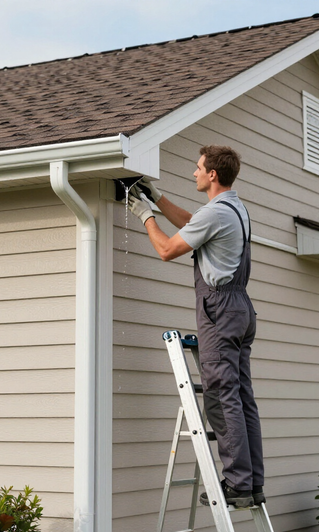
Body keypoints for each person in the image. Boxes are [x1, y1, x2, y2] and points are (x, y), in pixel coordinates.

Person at [127, 145, 264, 508]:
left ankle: (236, 485)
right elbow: (192, 223)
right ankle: (252, 483)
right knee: (242, 398)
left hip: (219, 308)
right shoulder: (234, 208)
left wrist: (145, 216)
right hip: (240, 308)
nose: (194, 172)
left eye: (198, 167)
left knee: (221, 398)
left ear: (212, 175)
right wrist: (156, 197)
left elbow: (168, 249)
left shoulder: (216, 212)